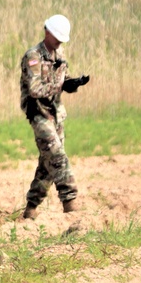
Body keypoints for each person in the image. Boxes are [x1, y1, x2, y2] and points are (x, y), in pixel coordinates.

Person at [20, 14, 90, 219]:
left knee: (47, 165)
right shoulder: (33, 56)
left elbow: (61, 80)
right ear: (47, 31)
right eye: (57, 36)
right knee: (57, 156)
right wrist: (60, 86)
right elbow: (35, 89)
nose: (59, 41)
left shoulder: (60, 56)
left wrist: (71, 84)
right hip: (39, 114)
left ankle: (31, 208)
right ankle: (70, 201)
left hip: (56, 115)